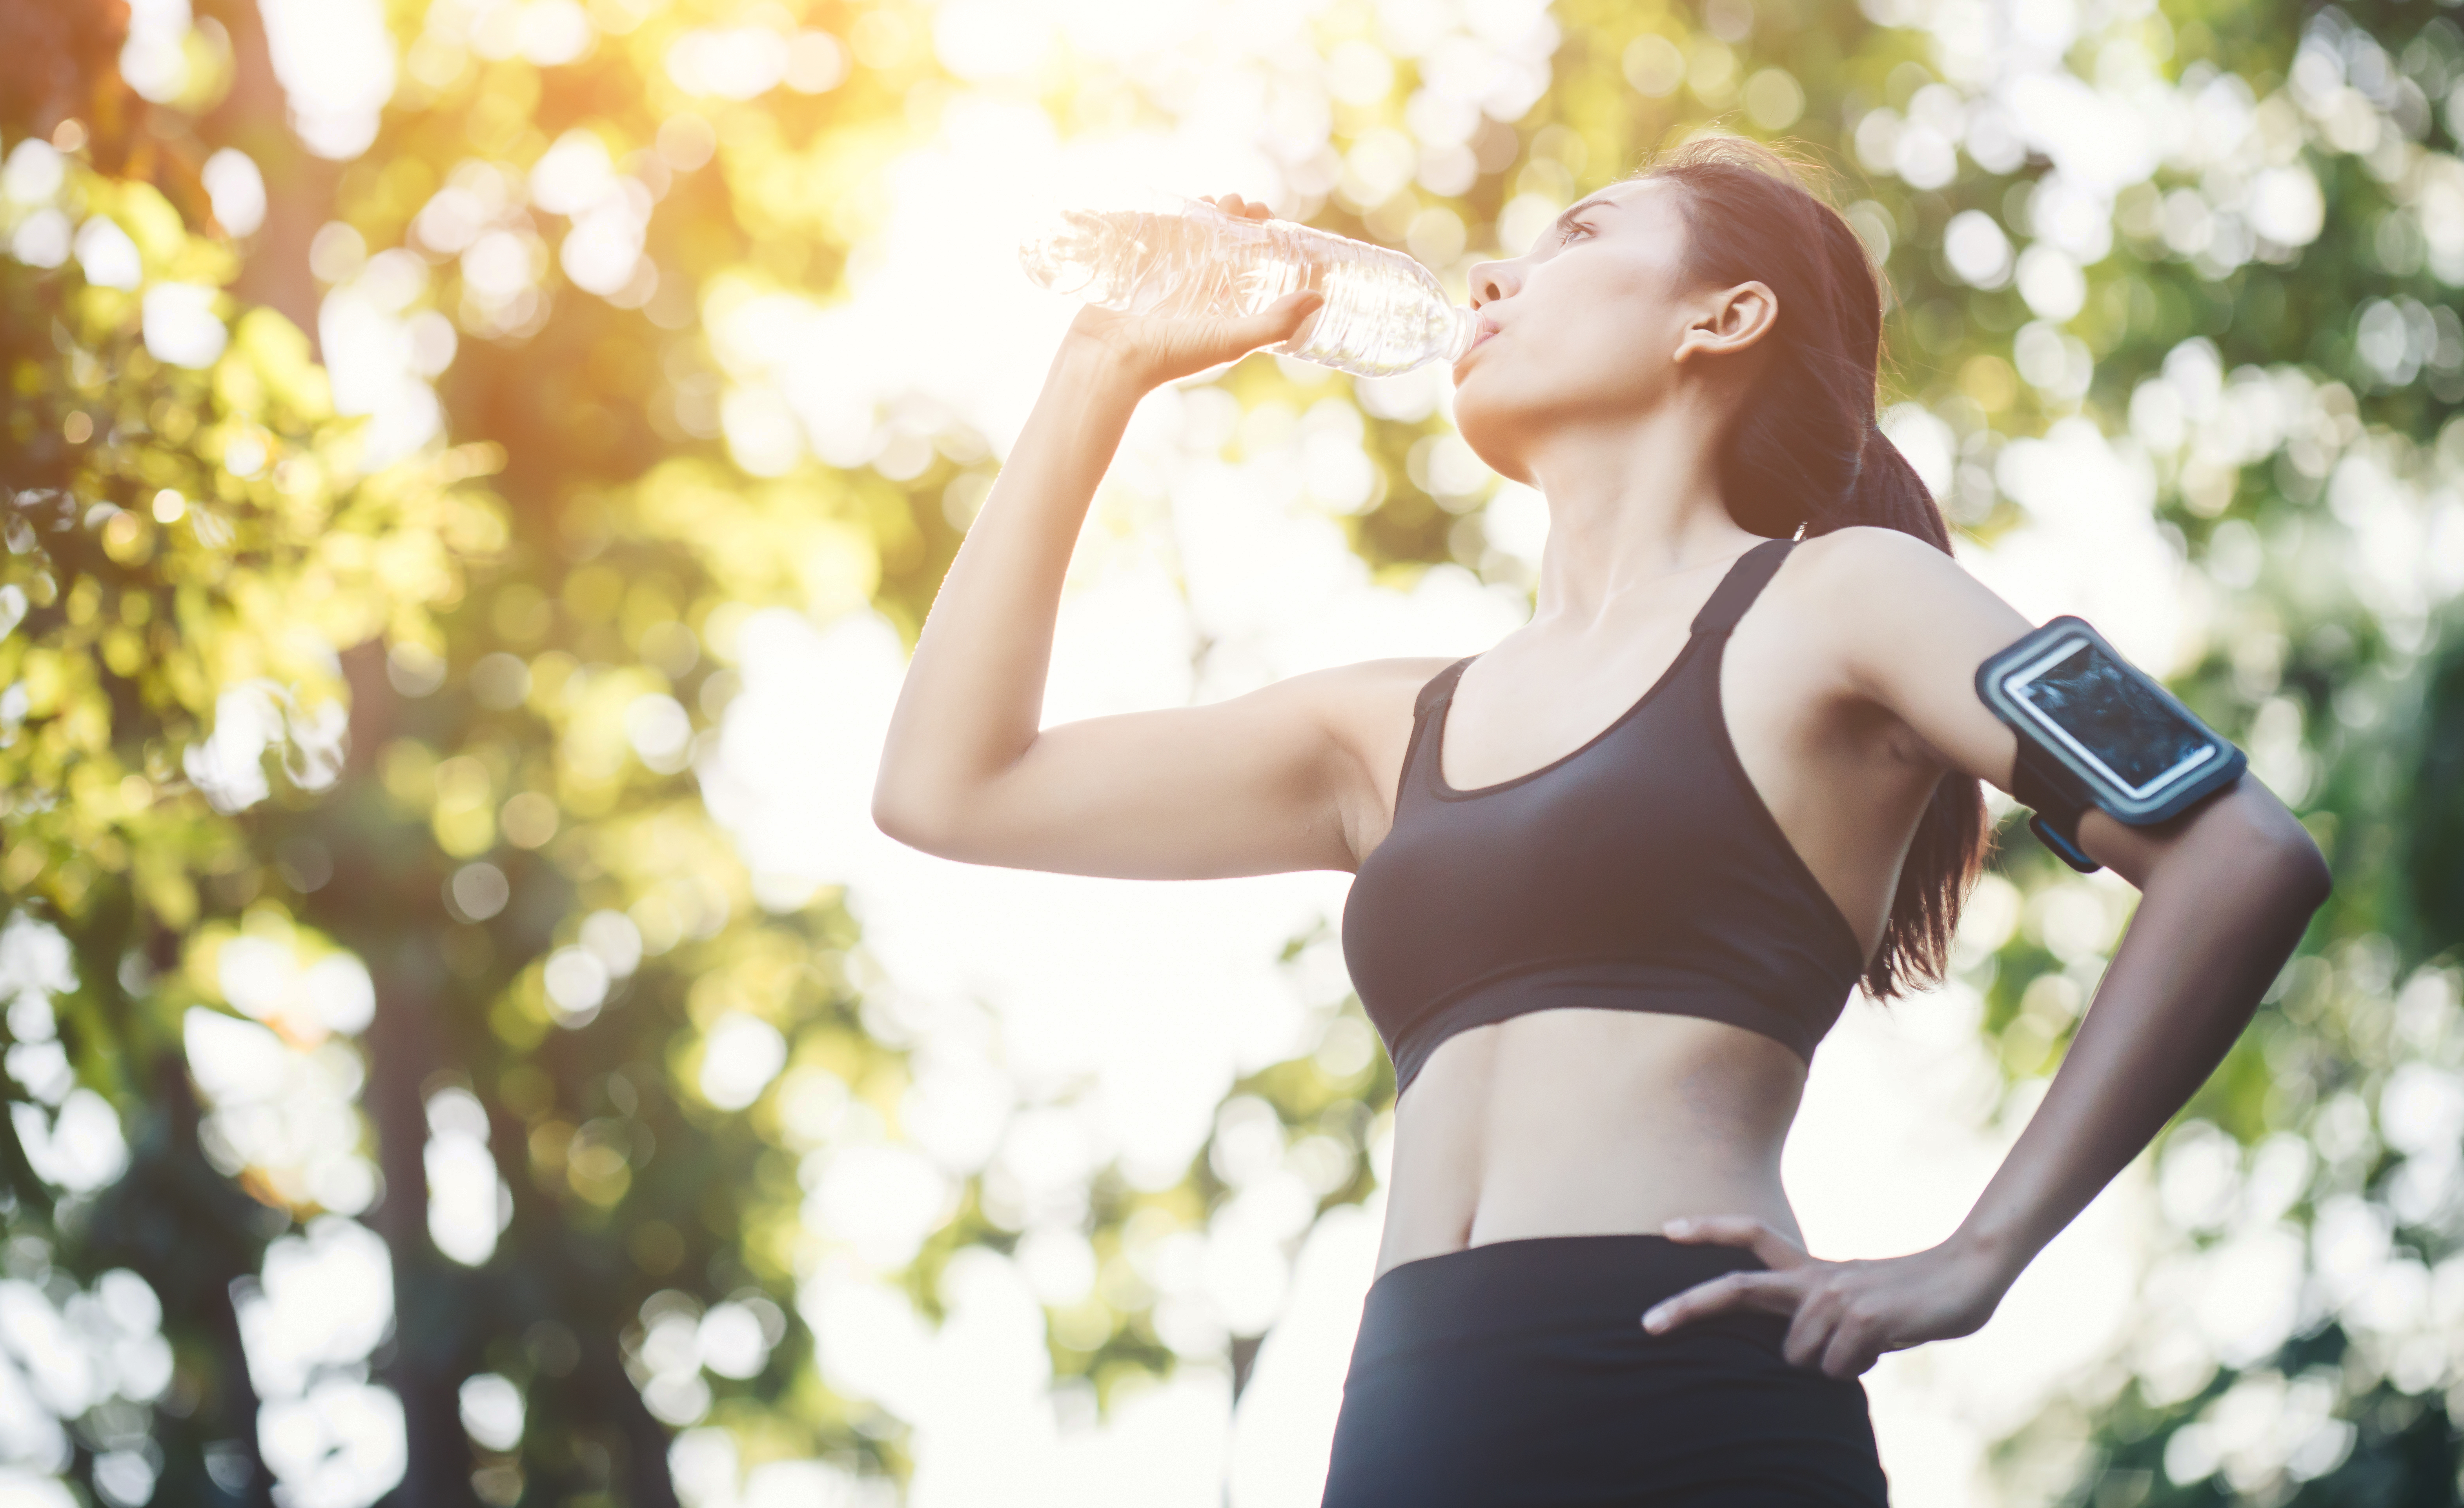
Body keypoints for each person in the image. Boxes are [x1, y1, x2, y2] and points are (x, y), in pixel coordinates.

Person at [871, 135, 2330, 1505]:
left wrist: (1977, 1255)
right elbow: (953, 788)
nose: (1494, 278)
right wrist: (1105, 364)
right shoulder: (1389, 730)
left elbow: (2240, 852)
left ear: (1724, 318)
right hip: (1405, 1412)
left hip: (1690, 1395)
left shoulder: (1847, 599)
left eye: (1573, 239)